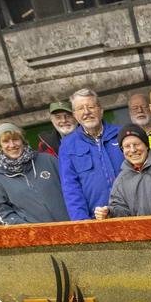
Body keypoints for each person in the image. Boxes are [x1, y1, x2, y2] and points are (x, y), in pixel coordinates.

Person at [58, 88, 125, 221]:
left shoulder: (121, 134)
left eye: (91, 107)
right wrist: (82, 223)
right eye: (80, 109)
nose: (86, 112)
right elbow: (71, 188)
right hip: (96, 220)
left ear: (101, 110)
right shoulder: (67, 145)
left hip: (130, 213)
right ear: (75, 115)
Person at [0, 123, 69, 225]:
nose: (12, 145)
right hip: (36, 233)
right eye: (6, 141)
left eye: (15, 139)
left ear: (22, 140)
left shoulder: (48, 160)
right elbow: (0, 209)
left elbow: (73, 188)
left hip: (71, 225)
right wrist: (24, 228)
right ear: (0, 145)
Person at [96, 124, 151, 218]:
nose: (133, 150)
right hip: (141, 228)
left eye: (136, 144)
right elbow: (121, 210)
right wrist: (109, 212)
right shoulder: (121, 180)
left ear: (146, 145)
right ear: (122, 150)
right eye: (127, 146)